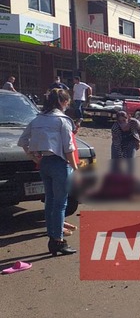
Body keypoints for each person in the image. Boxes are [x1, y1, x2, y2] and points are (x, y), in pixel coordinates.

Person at [17, 88, 78, 256]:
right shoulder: (62, 120)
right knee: (60, 204)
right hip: (60, 164)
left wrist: (34, 157)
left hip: (45, 163)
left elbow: (22, 140)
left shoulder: (37, 119)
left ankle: (53, 236)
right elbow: (69, 148)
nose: (67, 105)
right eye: (66, 102)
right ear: (61, 102)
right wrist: (75, 168)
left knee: (50, 201)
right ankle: (57, 241)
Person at [111, 111, 140, 175]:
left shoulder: (134, 122)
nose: (122, 123)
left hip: (131, 142)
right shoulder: (115, 128)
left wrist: (138, 141)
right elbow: (117, 145)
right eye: (120, 121)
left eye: (124, 120)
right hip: (118, 143)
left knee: (130, 161)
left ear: (128, 118)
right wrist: (121, 157)